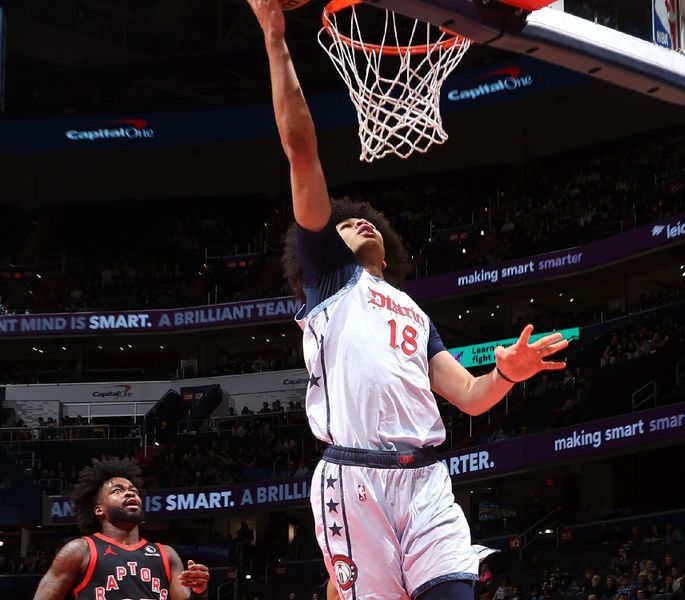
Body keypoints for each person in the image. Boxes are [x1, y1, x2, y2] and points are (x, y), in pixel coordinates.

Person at [243, 1, 569, 598]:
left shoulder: (415, 314)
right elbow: (301, 149)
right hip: (353, 479)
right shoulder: (330, 282)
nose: (358, 225)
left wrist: (506, 373)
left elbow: (470, 397)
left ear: (388, 252)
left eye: (368, 224)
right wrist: (274, 36)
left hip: (426, 481)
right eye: (345, 225)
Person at [34, 457, 209, 600]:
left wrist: (200, 591)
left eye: (134, 490)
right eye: (117, 491)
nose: (130, 493)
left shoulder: (167, 554)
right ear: (99, 509)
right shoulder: (80, 550)